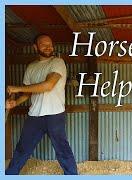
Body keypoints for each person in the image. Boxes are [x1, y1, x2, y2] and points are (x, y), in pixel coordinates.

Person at [5, 34, 78, 175]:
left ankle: (72, 175)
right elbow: (28, 93)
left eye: (50, 44)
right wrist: (16, 102)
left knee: (62, 149)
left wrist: (17, 88)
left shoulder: (57, 62)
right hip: (34, 116)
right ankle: (10, 175)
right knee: (22, 148)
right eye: (44, 44)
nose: (48, 47)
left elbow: (48, 85)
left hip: (55, 115)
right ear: (35, 47)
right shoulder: (31, 67)